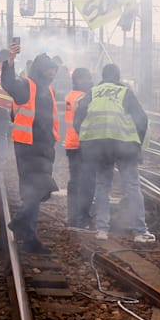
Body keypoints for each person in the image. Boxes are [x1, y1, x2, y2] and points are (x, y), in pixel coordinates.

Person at [77, 64, 153, 243]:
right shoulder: (124, 92)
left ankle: (102, 230)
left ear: (102, 76)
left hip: (100, 147)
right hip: (124, 145)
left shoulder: (93, 92)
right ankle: (140, 232)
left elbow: (78, 117)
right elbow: (142, 119)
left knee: (102, 185)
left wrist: (87, 141)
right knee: (132, 186)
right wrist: (138, 145)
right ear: (118, 77)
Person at [2, 42, 60, 255]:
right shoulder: (26, 85)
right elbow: (7, 83)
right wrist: (10, 60)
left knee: (33, 192)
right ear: (40, 70)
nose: (52, 73)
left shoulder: (49, 89)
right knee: (39, 189)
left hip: (44, 147)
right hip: (28, 146)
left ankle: (29, 237)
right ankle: (19, 222)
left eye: (54, 70)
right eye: (49, 70)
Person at [62, 67, 95, 229]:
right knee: (87, 183)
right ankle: (83, 218)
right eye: (88, 78)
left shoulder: (70, 96)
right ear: (79, 80)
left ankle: (73, 218)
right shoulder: (83, 97)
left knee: (74, 182)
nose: (90, 81)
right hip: (83, 145)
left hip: (71, 144)